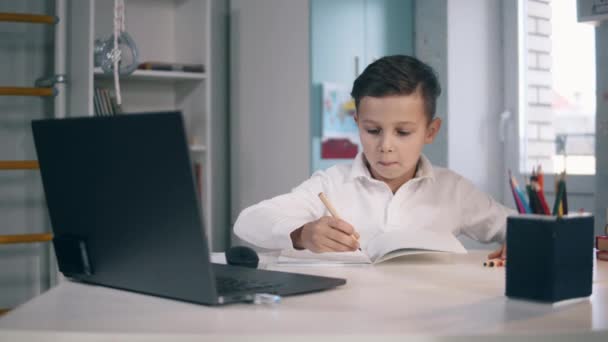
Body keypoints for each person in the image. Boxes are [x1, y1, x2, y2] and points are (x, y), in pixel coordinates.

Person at [234, 55, 513, 260]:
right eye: (373, 130)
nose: (385, 146)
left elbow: (522, 228)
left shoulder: (454, 190)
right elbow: (248, 222)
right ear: (357, 123)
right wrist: (302, 233)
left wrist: (522, 244)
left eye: (403, 132)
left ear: (431, 131)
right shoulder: (331, 184)